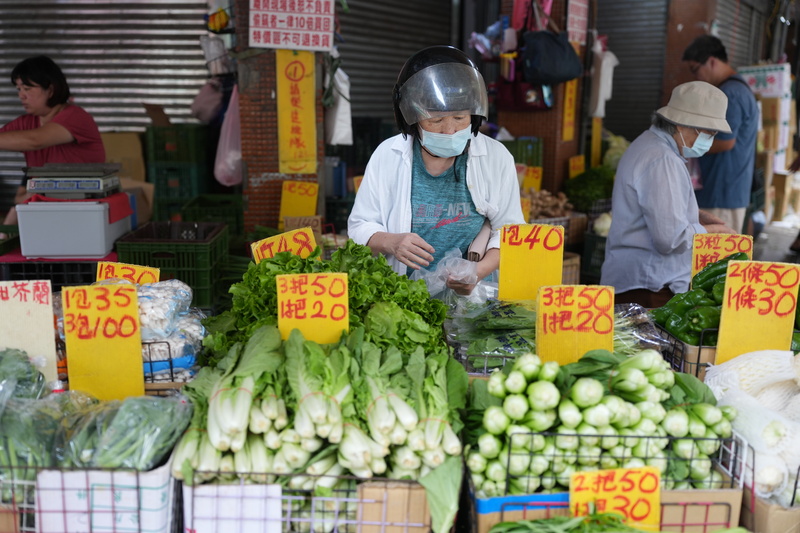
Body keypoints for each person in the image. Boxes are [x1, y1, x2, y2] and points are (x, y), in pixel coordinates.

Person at [347, 45, 525, 295]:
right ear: (411, 118)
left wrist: (478, 272)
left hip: (471, 301)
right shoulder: (387, 155)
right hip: (402, 298)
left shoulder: (496, 157)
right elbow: (359, 226)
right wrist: (392, 243)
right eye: (436, 120)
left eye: (460, 118)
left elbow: (509, 231)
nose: (450, 130)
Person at [600, 81, 737, 308]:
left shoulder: (648, 144)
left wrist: (697, 215)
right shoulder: (662, 159)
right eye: (709, 133)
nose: (710, 141)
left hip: (642, 282)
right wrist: (713, 231)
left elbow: (656, 205)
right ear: (685, 125)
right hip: (649, 287)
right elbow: (670, 239)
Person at [0, 55, 105, 227]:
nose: (21, 96)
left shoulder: (76, 116)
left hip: (83, 212)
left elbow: (35, 140)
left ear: (50, 89)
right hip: (44, 211)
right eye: (18, 89)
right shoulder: (26, 122)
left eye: (27, 88)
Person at [683, 35, 758, 234]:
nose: (695, 77)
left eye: (695, 69)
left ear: (712, 61)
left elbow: (725, 142)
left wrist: (685, 146)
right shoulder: (736, 88)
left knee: (716, 259)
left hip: (722, 193)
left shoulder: (730, 93)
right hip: (725, 191)